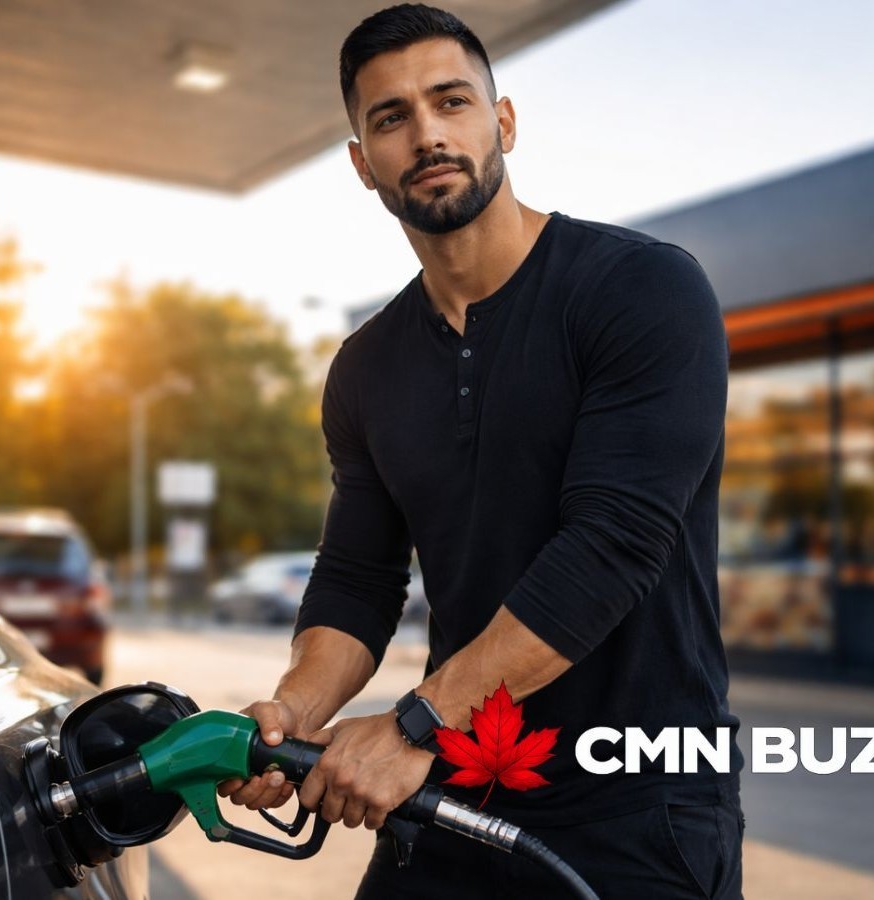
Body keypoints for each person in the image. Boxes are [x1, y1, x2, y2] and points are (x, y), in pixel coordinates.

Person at [217, 5, 742, 898]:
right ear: (361, 162)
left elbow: (611, 548)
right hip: (453, 795)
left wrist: (415, 727)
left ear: (502, 122)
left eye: (450, 101)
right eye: (390, 118)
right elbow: (357, 575)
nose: (426, 134)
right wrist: (294, 713)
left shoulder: (643, 289)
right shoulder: (367, 368)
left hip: (637, 808)